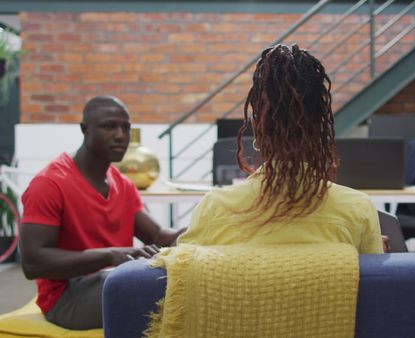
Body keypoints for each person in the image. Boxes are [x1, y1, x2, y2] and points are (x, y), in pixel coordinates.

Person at [178, 44, 384, 254]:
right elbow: (375, 281)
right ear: (320, 127)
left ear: (258, 127)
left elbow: (185, 275)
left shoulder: (215, 207)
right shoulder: (357, 210)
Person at [19, 96, 185, 330]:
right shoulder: (49, 184)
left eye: (125, 128)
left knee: (186, 281)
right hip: (67, 297)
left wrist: (207, 222)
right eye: (109, 126)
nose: (120, 135)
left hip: (114, 280)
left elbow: (158, 237)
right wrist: (109, 255)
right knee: (146, 287)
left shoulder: (123, 184)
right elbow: (33, 263)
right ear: (85, 129)